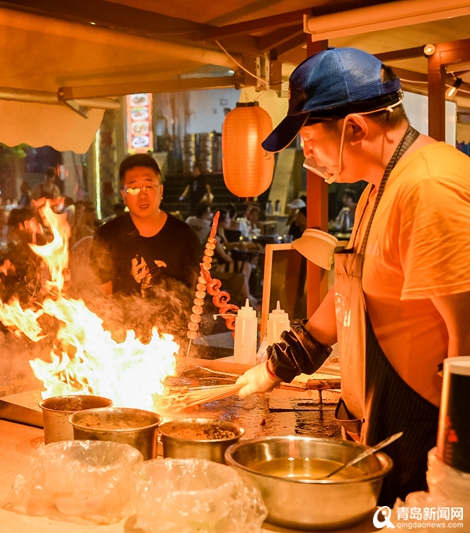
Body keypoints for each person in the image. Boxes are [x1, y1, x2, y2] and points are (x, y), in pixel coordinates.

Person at [236, 47, 470, 506]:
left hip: (436, 434)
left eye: (309, 140)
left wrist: (456, 475)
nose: (309, 155)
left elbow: (469, 344)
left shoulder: (429, 186)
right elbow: (351, 291)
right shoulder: (379, 189)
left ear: (356, 127)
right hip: (392, 424)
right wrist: (276, 367)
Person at [90, 154, 202, 299]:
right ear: (124, 196)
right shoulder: (106, 235)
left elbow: (198, 290)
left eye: (149, 186)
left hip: (175, 320)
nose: (142, 195)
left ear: (161, 191)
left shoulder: (185, 234)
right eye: (134, 188)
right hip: (121, 320)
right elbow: (101, 293)